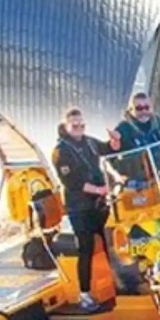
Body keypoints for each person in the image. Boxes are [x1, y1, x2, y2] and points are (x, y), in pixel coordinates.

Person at [51, 107, 121, 308]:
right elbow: (71, 182)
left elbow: (107, 149)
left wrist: (115, 142)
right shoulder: (60, 152)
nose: (79, 128)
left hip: (99, 203)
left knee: (110, 240)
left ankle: (116, 283)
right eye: (75, 125)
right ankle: (84, 294)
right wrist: (100, 190)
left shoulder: (89, 142)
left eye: (82, 124)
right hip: (79, 207)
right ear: (65, 126)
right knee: (86, 247)